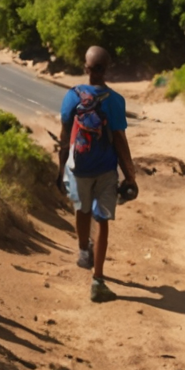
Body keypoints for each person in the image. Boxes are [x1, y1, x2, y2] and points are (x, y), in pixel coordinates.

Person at [57, 45, 138, 302]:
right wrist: (130, 175)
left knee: (81, 209)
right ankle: (98, 279)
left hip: (79, 168)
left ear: (86, 67)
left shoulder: (72, 96)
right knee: (102, 219)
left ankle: (83, 251)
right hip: (106, 169)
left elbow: (63, 137)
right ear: (107, 70)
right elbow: (120, 140)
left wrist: (60, 168)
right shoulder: (115, 101)